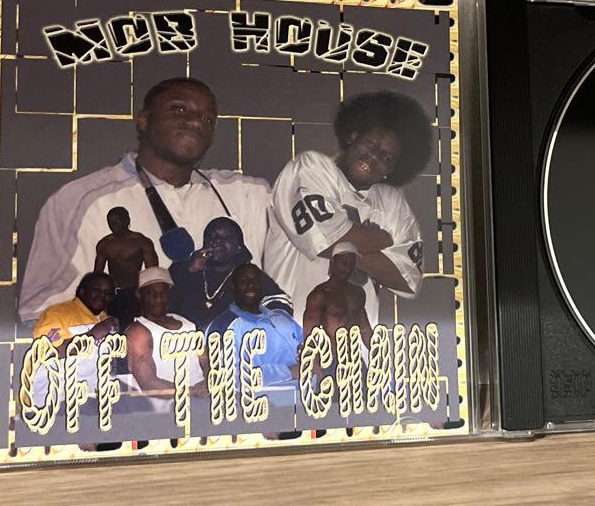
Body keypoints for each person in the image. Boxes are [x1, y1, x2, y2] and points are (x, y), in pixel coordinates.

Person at [19, 77, 277, 323]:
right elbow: (40, 314)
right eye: (178, 109)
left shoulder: (247, 194)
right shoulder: (79, 199)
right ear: (143, 120)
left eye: (207, 119)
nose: (195, 122)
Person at [268, 91, 432, 323]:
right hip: (288, 333)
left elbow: (409, 279)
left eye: (387, 158)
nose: (375, 157)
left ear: (391, 171)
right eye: (371, 144)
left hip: (356, 340)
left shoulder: (391, 201)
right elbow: (325, 239)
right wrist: (383, 240)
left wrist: (349, 244)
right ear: (353, 136)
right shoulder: (311, 167)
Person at [169, 217, 291, 327]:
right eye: (211, 236)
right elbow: (165, 302)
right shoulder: (185, 269)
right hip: (185, 340)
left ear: (238, 247)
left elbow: (280, 302)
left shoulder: (249, 274)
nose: (216, 240)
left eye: (225, 237)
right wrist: (190, 270)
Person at [205, 264, 303, 389]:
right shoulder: (223, 326)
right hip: (262, 397)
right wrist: (288, 372)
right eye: (244, 281)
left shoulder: (281, 316)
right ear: (233, 286)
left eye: (255, 280)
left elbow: (310, 347)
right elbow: (226, 377)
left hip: (306, 393)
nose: (251, 285)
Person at [26, 272, 118, 406]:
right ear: (82, 291)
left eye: (107, 293)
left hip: (93, 398)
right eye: (96, 290)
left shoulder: (105, 318)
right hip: (55, 400)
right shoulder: (57, 314)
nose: (102, 295)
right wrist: (93, 334)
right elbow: (47, 353)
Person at [124, 267, 205, 404]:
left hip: (201, 399)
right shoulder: (138, 332)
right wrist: (192, 392)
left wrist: (209, 381)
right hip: (168, 405)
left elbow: (206, 360)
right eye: (151, 293)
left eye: (163, 292)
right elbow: (148, 384)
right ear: (139, 294)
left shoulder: (187, 323)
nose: (159, 298)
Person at [94, 206, 157, 328]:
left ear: (127, 220)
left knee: (132, 328)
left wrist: (143, 293)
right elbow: (97, 275)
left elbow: (152, 272)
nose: (114, 225)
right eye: (111, 222)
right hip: (113, 292)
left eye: (117, 221)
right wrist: (100, 295)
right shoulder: (105, 244)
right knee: (113, 328)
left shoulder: (141, 242)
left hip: (134, 291)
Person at [301, 243, 373, 347]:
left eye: (351, 264)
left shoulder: (358, 293)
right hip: (330, 355)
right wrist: (312, 356)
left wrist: (379, 353)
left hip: (353, 354)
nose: (348, 269)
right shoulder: (320, 295)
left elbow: (365, 329)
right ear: (332, 262)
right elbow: (309, 336)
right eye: (344, 263)